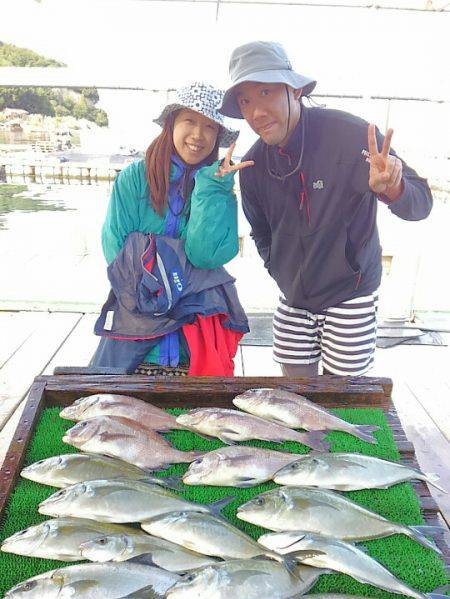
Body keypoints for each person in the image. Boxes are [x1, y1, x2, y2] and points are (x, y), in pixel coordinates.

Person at [220, 41, 433, 377]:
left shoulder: (350, 134)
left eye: (265, 92)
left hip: (351, 293)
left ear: (296, 89)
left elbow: (420, 203)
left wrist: (394, 188)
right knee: (295, 398)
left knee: (342, 399)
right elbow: (260, 232)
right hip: (293, 298)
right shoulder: (253, 163)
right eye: (245, 100)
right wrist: (281, 270)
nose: (256, 112)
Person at [91, 83, 252, 376]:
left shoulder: (220, 186)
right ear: (170, 123)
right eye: (189, 121)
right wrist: (161, 288)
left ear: (217, 135)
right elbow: (115, 252)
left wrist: (211, 190)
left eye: (209, 126)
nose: (198, 135)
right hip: (137, 320)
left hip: (195, 334)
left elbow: (206, 256)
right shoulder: (134, 178)